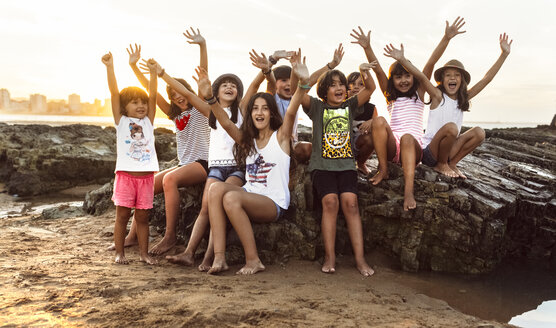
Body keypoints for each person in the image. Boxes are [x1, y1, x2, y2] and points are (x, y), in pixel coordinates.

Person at [194, 51, 309, 275]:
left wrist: (303, 83)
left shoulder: (282, 136)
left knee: (231, 196)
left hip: (272, 202)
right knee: (215, 189)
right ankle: (219, 257)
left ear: (272, 113)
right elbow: (226, 123)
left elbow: (293, 109)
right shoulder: (248, 142)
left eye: (265, 108)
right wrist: (210, 98)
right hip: (250, 193)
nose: (259, 112)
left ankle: (253, 259)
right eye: (255, 108)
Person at [163, 49, 276, 270]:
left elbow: (256, 84)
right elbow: (187, 93)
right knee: (206, 208)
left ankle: (210, 257)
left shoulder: (243, 109)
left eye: (233, 85)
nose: (229, 87)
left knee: (218, 204)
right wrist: (162, 74)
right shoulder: (210, 111)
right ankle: (188, 253)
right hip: (215, 168)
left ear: (238, 92)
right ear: (216, 90)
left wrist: (268, 66)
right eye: (224, 84)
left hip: (237, 169)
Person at [109, 28, 210, 254]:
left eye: (180, 92)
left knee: (170, 180)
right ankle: (133, 235)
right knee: (150, 183)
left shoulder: (200, 107)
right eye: (173, 95)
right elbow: (151, 92)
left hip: (204, 163)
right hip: (186, 164)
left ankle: (170, 236)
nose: (178, 97)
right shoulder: (174, 115)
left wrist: (202, 46)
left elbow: (204, 73)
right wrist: (134, 66)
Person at [351, 17, 466, 211]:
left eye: (407, 75)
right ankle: (384, 169)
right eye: (398, 77)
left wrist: (446, 38)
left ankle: (408, 192)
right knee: (379, 121)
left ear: (413, 77)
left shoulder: (420, 94)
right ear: (392, 80)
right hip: (391, 147)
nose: (403, 80)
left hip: (413, 148)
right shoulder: (390, 97)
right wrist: (367, 47)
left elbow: (431, 62)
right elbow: (378, 70)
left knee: (406, 137)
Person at [299, 58, 377, 276]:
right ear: (324, 90)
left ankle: (360, 260)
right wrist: (327, 67)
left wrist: (363, 71)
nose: (339, 87)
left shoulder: (350, 106)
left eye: (341, 84)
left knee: (351, 203)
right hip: (322, 167)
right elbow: (300, 92)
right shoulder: (316, 107)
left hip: (346, 166)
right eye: (333, 84)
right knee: (330, 202)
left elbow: (371, 88)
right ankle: (329, 257)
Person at [419, 33, 513, 178]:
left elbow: (487, 79)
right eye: (448, 75)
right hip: (430, 153)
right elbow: (426, 70)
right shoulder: (437, 95)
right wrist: (446, 38)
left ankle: (452, 163)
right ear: (442, 80)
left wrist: (504, 55)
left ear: (462, 80)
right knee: (451, 127)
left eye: (457, 75)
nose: (452, 78)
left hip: (449, 150)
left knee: (479, 132)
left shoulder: (463, 98)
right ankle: (441, 165)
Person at [101, 52, 158, 265]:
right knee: (122, 216)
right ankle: (120, 253)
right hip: (125, 176)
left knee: (142, 218)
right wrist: (110, 67)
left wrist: (153, 73)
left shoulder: (149, 121)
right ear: (125, 107)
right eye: (135, 102)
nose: (141, 105)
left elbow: (153, 95)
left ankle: (144, 253)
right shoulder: (121, 121)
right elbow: (114, 93)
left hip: (146, 179)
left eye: (142, 102)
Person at [346, 71, 378, 175]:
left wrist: (372, 122)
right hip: (341, 147)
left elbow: (378, 129)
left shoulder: (371, 109)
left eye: (361, 84)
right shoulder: (342, 106)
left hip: (358, 145)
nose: (355, 87)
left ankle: (361, 163)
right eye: (352, 84)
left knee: (372, 138)